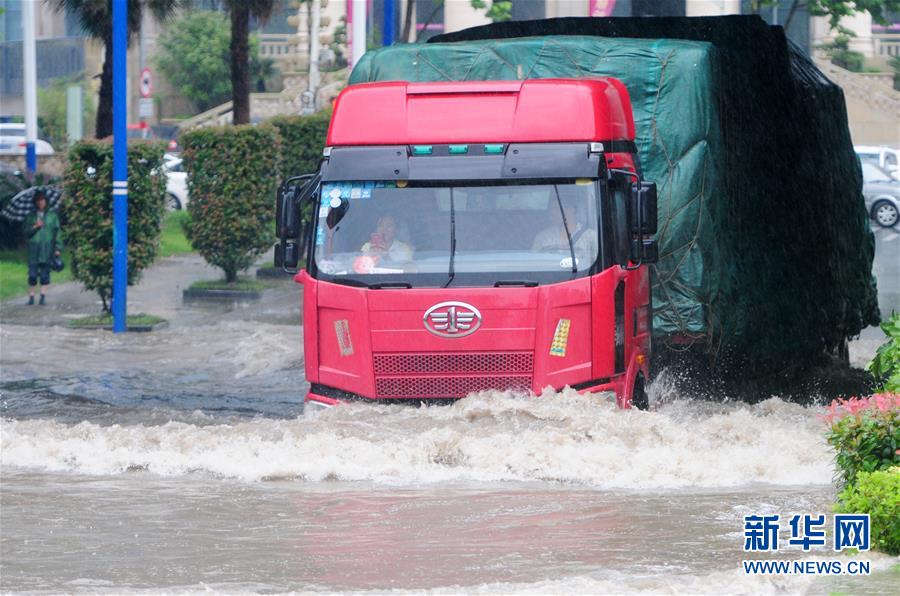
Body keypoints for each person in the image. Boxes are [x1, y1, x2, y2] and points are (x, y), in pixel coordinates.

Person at [23, 191, 62, 306]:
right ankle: (31, 297)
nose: (40, 202)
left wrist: (58, 248)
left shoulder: (52, 216)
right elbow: (25, 232)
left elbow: (58, 232)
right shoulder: (30, 217)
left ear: (46, 201)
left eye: (42, 200)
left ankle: (42, 297)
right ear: (35, 202)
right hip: (34, 250)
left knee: (45, 275)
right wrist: (35, 227)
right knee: (32, 275)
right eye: (38, 200)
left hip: (47, 249)